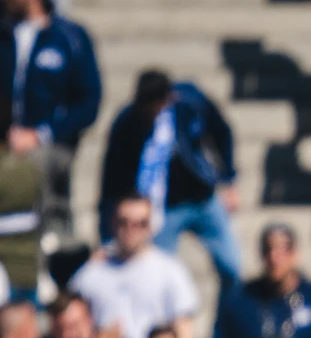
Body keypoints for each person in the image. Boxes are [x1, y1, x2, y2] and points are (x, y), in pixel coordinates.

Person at [95, 70, 239, 285]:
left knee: (232, 266)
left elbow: (221, 132)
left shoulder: (190, 104)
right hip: (163, 208)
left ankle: (229, 317)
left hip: (202, 199)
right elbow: (113, 178)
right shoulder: (127, 124)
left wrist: (228, 179)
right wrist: (108, 234)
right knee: (159, 277)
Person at [0, 0, 96, 246]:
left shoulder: (69, 37)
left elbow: (89, 101)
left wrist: (42, 133)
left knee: (31, 167)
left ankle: (49, 252)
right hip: (6, 138)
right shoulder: (4, 35)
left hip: (49, 143)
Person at [67, 195, 199, 338]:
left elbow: (184, 328)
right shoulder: (91, 273)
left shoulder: (170, 271)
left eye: (140, 223)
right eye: (124, 222)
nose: (131, 229)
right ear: (113, 223)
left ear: (150, 226)